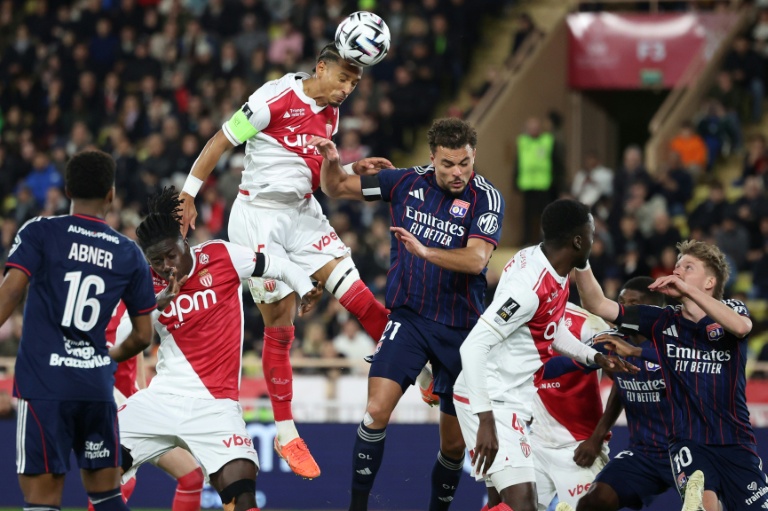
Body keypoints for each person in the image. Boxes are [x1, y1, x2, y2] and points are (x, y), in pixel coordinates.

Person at [177, 42, 391, 479]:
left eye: (355, 82)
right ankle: (286, 431)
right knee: (281, 328)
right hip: (259, 220)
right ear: (321, 67)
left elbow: (327, 186)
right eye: (344, 78)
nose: (348, 88)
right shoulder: (271, 97)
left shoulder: (330, 115)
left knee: (362, 300)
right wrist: (188, 193)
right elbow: (220, 139)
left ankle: (423, 373)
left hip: (302, 213)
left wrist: (351, 171)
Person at [314, 117, 505, 511]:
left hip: (462, 332)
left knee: (453, 445)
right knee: (375, 411)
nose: (458, 172)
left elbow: (476, 260)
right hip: (410, 319)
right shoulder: (403, 182)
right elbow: (333, 188)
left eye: (465, 163)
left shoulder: (487, 198)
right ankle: (357, 507)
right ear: (432, 157)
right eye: (448, 163)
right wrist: (334, 162)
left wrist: (424, 251)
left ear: (474, 157)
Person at [119, 188, 323, 511]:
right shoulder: (145, 284)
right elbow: (120, 340)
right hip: (160, 400)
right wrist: (154, 306)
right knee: (99, 463)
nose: (165, 266)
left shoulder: (219, 256)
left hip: (216, 408)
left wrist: (304, 287)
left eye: (170, 255)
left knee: (242, 497)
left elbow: (277, 266)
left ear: (184, 242)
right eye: (156, 261)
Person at [452, 198, 634, 511]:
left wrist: (593, 357)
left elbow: (552, 330)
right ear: (578, 241)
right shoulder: (528, 287)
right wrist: (485, 420)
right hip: (492, 400)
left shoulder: (548, 266)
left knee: (508, 504)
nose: (595, 240)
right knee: (522, 505)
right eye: (591, 234)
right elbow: (472, 346)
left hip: (512, 399)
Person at [0, 150, 157, 511]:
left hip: (44, 386)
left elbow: (10, 293)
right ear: (111, 195)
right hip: (95, 389)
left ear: (67, 189)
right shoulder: (129, 253)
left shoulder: (40, 232)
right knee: (107, 497)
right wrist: (105, 357)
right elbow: (143, 336)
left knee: (42, 500)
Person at [572, 240, 768, 511]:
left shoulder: (733, 309)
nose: (678, 271)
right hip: (689, 443)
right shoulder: (662, 320)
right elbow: (597, 303)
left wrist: (687, 289)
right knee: (702, 505)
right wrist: (581, 260)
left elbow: (741, 327)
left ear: (709, 282)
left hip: (736, 442)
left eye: (688, 267)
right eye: (677, 266)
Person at [557, 277, 676, 511]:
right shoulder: (611, 342)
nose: (623, 311)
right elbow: (618, 386)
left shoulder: (674, 344)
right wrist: (596, 437)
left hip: (686, 449)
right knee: (592, 502)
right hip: (643, 454)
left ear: (654, 310)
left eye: (632, 304)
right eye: (620, 303)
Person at [87, 302, 205, 511]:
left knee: (192, 476)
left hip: (136, 406)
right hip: (108, 404)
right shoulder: (102, 299)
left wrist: (142, 392)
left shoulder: (133, 298)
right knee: (114, 482)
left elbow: (138, 345)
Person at [530, 302, 611, 511]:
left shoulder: (587, 323)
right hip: (535, 444)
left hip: (578, 446)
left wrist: (596, 439)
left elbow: (617, 372)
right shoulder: (517, 316)